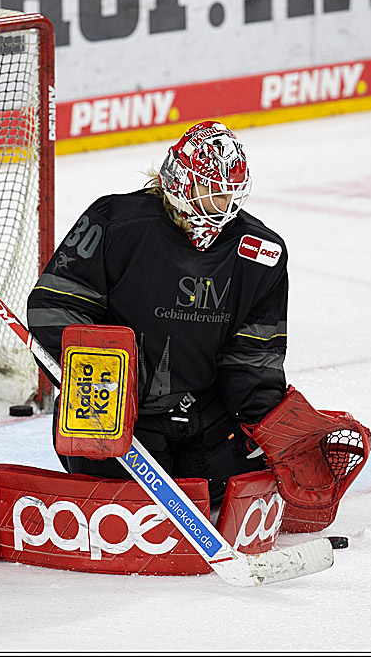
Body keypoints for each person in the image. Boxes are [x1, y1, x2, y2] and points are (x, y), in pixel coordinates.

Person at [27, 120, 288, 506]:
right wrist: (105, 387)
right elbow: (55, 307)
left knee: (243, 477)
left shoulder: (260, 253)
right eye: (210, 192)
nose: (221, 207)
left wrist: (270, 432)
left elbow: (254, 356)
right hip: (115, 422)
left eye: (230, 195)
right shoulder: (117, 222)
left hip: (202, 424)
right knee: (120, 497)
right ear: (181, 181)